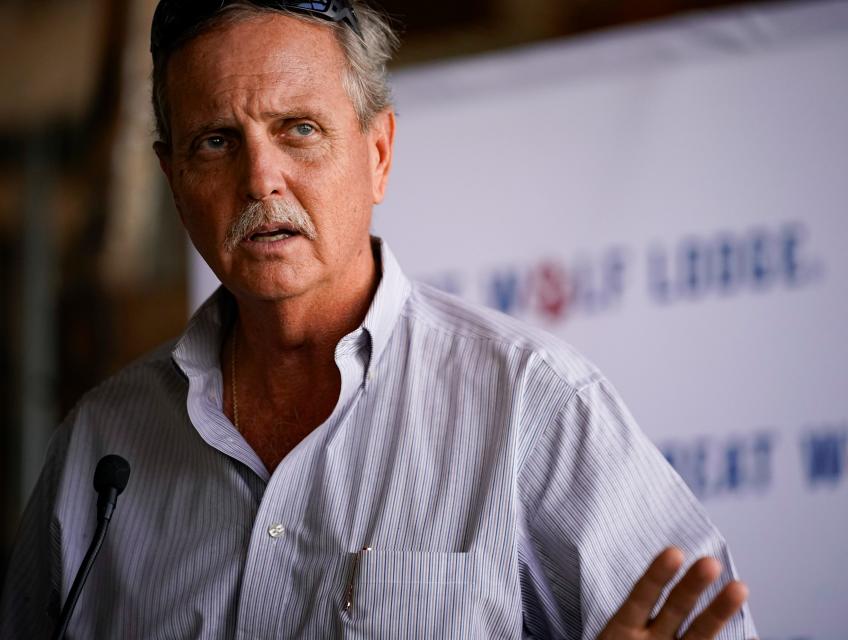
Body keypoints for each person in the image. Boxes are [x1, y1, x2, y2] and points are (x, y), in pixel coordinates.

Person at [0, 1, 758, 638]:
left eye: (299, 128)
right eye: (216, 141)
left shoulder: (533, 407)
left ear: (379, 153)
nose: (261, 176)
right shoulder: (99, 450)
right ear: (173, 180)